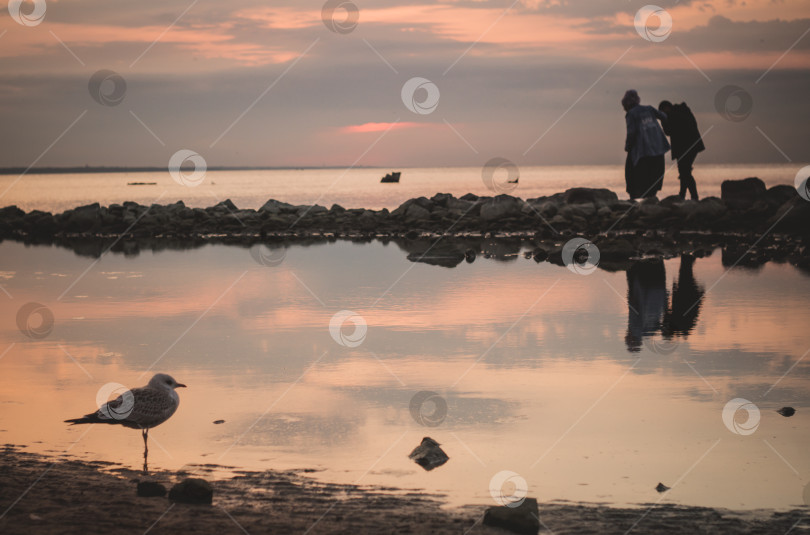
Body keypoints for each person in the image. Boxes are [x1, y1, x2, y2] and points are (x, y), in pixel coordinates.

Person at [622, 90, 670, 200]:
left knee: (633, 173)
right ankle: (651, 197)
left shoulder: (631, 114)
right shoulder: (649, 108)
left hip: (643, 151)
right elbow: (664, 116)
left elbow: (631, 133)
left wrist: (628, 147)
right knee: (655, 174)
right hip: (658, 148)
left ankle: (634, 198)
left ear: (626, 104)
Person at [658, 100, 704, 200]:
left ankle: (693, 196)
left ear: (666, 108)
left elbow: (668, 131)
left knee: (685, 171)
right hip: (689, 146)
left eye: (663, 111)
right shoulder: (682, 111)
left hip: (686, 147)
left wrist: (664, 120)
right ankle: (683, 195)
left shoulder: (675, 114)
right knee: (684, 171)